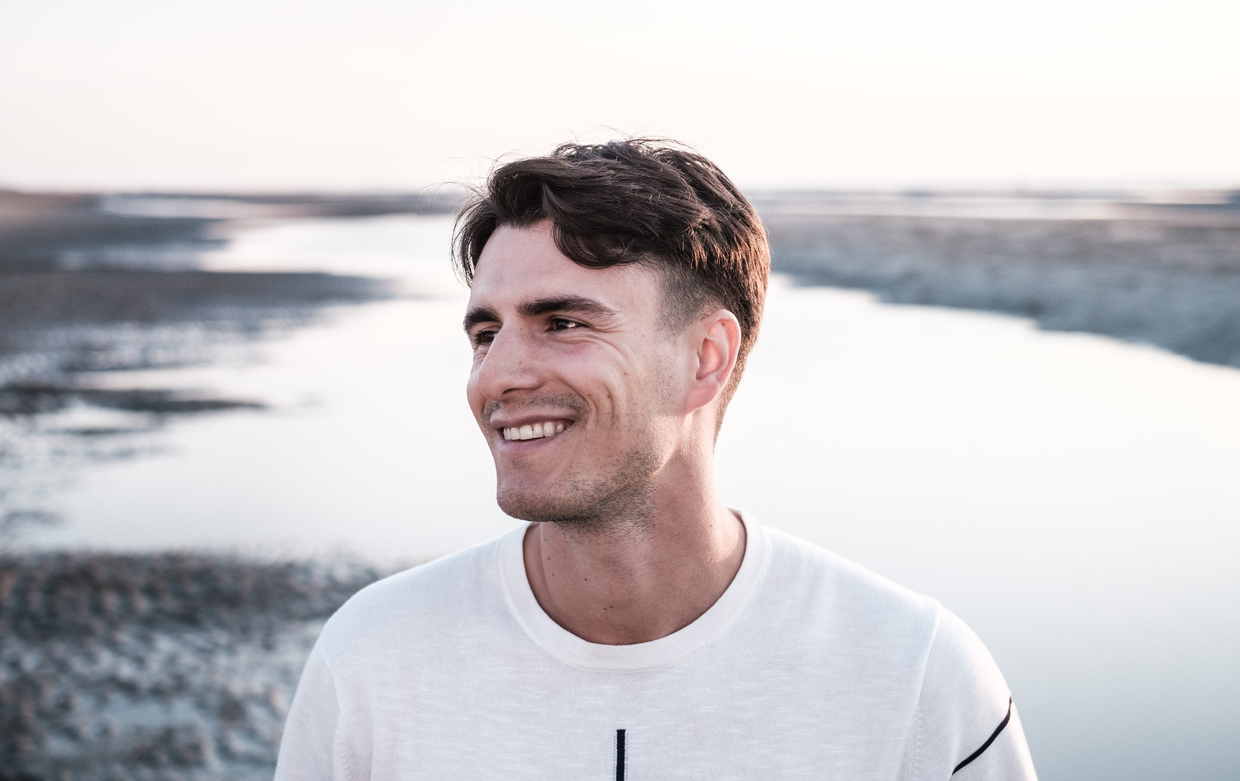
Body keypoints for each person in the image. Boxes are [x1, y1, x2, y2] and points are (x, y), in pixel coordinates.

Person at [274, 139, 1037, 779]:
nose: (495, 376)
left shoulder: (917, 676)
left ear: (706, 357)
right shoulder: (372, 658)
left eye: (562, 322)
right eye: (485, 334)